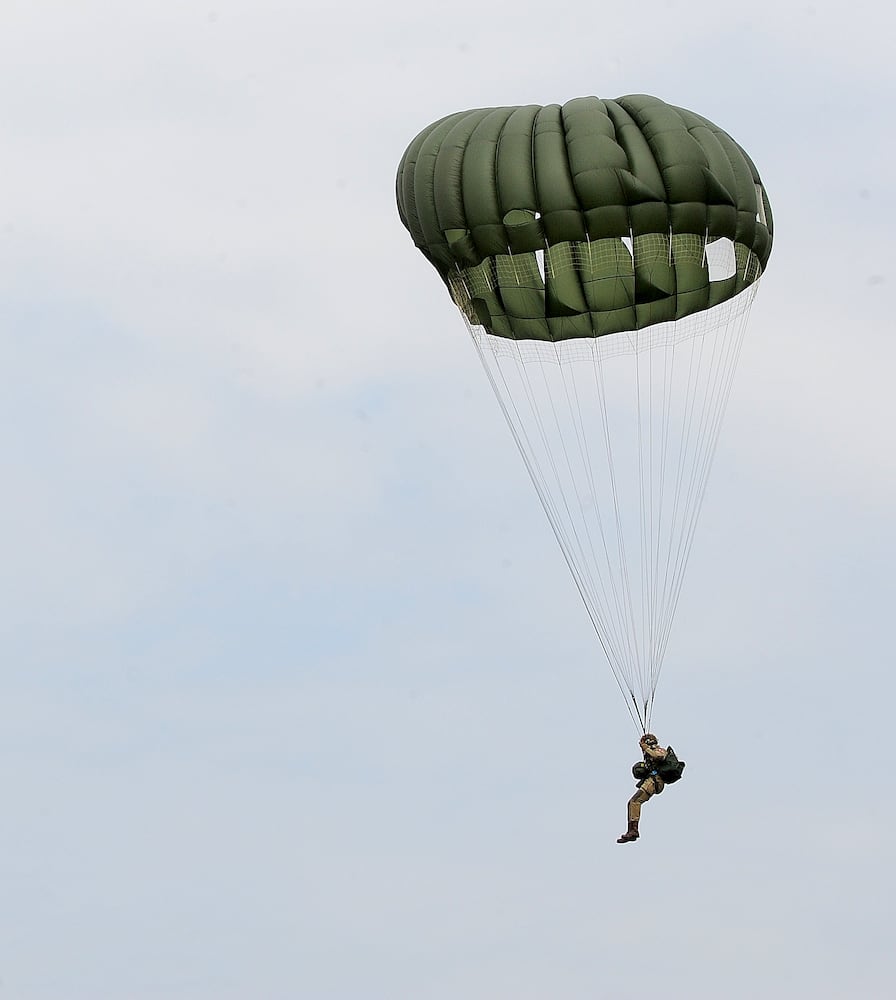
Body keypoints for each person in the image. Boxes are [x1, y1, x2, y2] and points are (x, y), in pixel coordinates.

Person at [617, 733, 668, 844]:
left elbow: (659, 756)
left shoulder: (660, 750)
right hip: (651, 781)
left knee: (634, 801)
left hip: (654, 781)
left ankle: (633, 831)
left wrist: (646, 748)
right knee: (632, 802)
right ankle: (631, 830)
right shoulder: (649, 754)